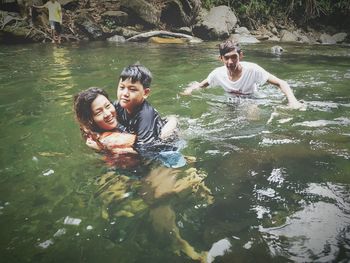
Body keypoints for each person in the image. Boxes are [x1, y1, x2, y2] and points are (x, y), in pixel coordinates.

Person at [182, 40, 304, 110]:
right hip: (230, 100)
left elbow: (281, 83)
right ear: (221, 59)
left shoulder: (252, 69)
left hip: (251, 99)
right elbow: (201, 85)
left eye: (234, 57)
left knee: (252, 120)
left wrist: (293, 101)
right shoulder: (217, 73)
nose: (230, 62)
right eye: (226, 58)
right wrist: (189, 90)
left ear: (240, 56)